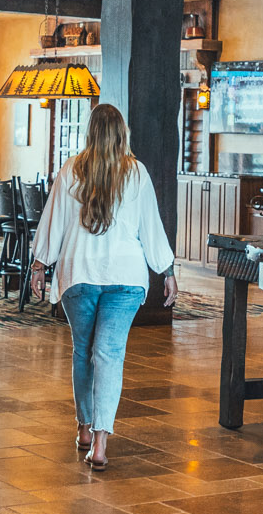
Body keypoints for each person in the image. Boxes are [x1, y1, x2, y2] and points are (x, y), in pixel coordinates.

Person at [30, 104, 176, 470]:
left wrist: (38, 264)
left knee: (84, 352)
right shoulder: (137, 173)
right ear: (122, 133)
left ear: (90, 133)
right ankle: (99, 444)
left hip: (79, 272)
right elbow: (151, 227)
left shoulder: (71, 170)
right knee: (109, 354)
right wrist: (167, 269)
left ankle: (83, 426)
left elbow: (53, 223)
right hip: (125, 278)